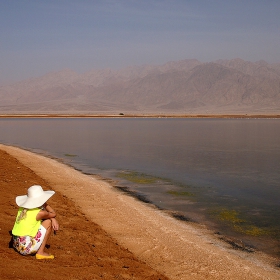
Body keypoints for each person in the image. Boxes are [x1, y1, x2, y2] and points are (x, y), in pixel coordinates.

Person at [12, 185, 59, 259]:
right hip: (26, 249)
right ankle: (40, 253)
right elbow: (53, 213)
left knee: (44, 220)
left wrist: (52, 218)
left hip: (16, 244)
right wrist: (45, 205)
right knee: (48, 222)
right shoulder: (40, 213)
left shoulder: (22, 208)